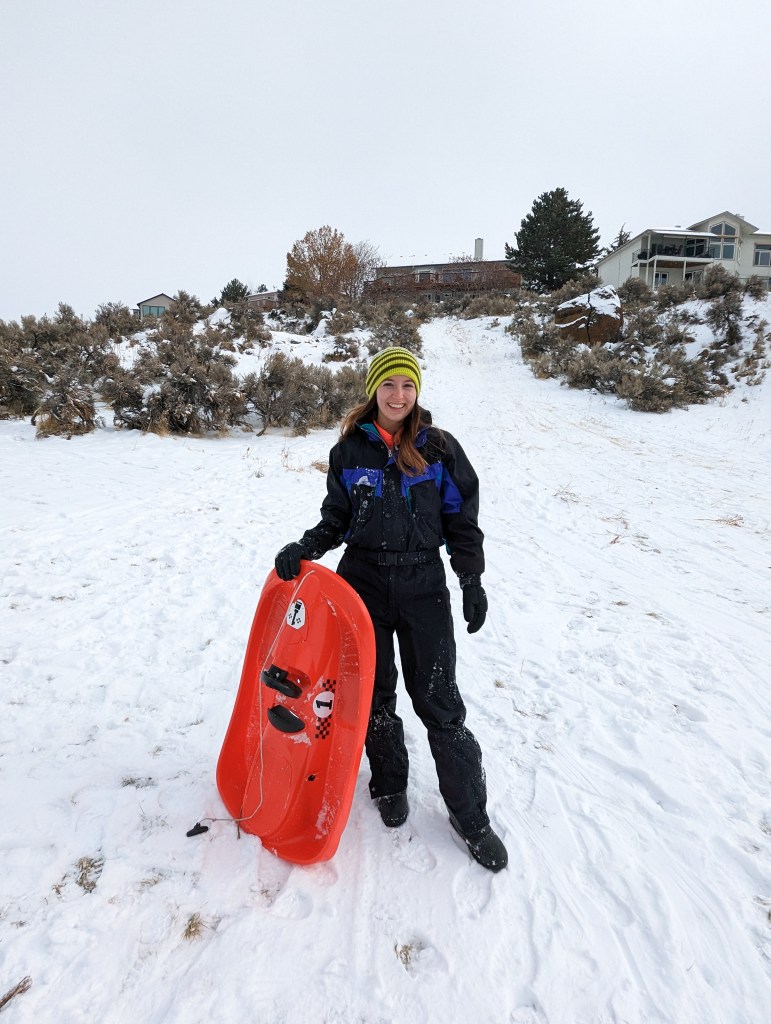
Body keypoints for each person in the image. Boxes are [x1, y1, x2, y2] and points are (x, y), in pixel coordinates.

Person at [274, 346, 507, 872]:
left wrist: (471, 580)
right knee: (375, 695)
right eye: (388, 385)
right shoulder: (349, 452)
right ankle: (388, 784)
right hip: (363, 587)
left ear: (416, 391)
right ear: (373, 390)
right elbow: (337, 517)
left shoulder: (440, 448)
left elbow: (461, 522)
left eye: (407, 385)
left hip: (424, 584)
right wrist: (306, 547)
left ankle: (470, 817)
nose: (398, 395)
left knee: (439, 701)